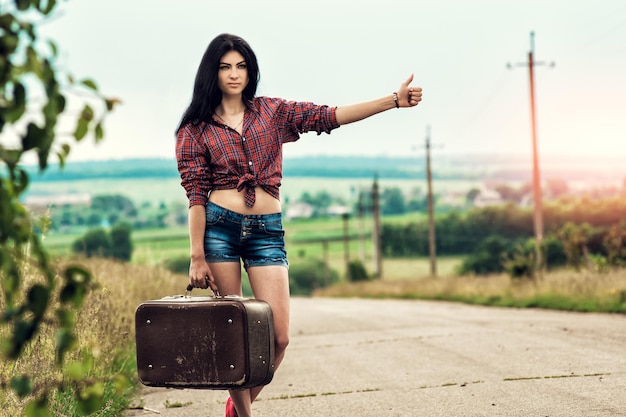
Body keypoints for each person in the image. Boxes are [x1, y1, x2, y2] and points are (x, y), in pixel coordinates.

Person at [175, 33, 422, 417]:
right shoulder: (195, 129)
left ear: (251, 71)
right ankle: (245, 415)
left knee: (279, 337)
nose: (234, 74)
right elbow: (195, 195)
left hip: (266, 232)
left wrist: (392, 101)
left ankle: (234, 406)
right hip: (219, 230)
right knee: (234, 333)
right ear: (213, 72)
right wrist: (196, 256)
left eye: (241, 66)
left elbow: (330, 116)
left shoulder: (273, 112)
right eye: (225, 67)